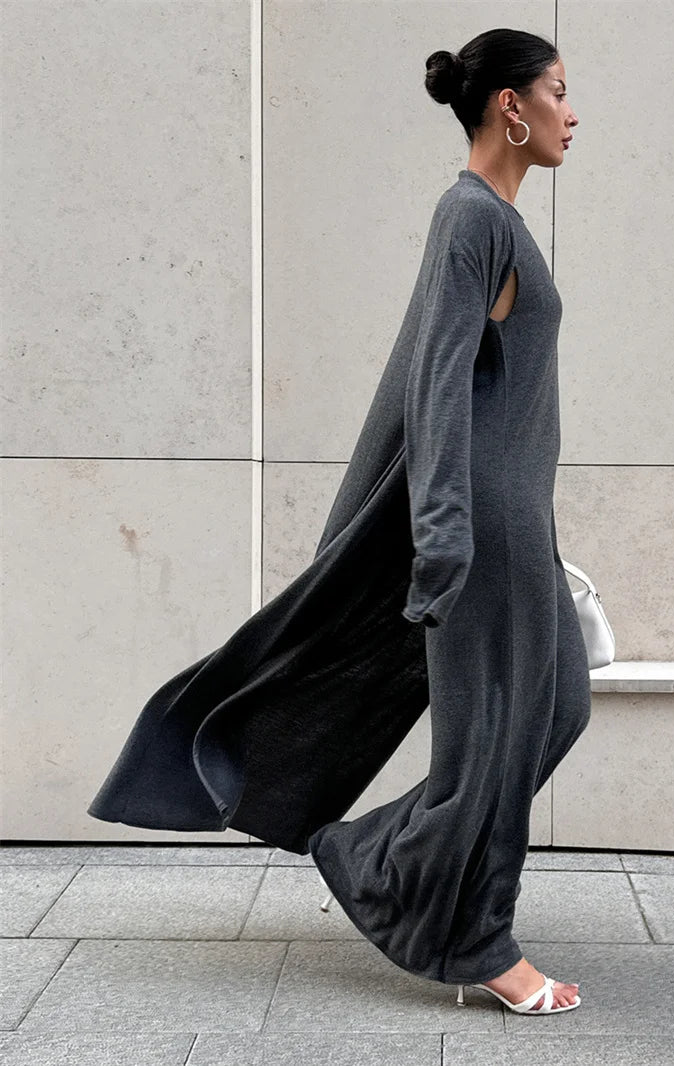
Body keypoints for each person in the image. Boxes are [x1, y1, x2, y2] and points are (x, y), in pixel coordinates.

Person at [87, 26, 590, 1017]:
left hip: (513, 518)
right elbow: (433, 386)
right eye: (559, 93)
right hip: (480, 525)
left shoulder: (494, 221)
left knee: (553, 707)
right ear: (509, 107)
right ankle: (475, 938)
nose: (573, 115)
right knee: (488, 736)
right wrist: (443, 535)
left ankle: (374, 854)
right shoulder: (469, 219)